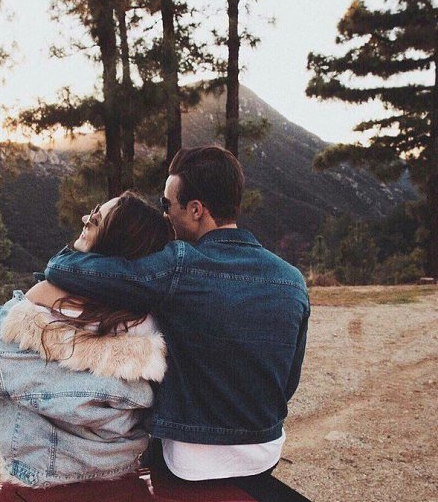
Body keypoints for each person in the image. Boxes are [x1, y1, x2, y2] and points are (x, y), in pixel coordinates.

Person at [43, 146, 310, 481]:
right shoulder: (292, 279)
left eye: (166, 205)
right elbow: (288, 383)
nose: (164, 215)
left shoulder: (180, 264)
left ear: (196, 209)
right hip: (264, 452)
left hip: (191, 462)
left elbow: (67, 270)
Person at [0, 191, 171, 488]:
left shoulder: (40, 327)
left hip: (42, 486)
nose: (85, 218)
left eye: (95, 220)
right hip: (125, 480)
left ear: (115, 241)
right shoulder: (151, 331)